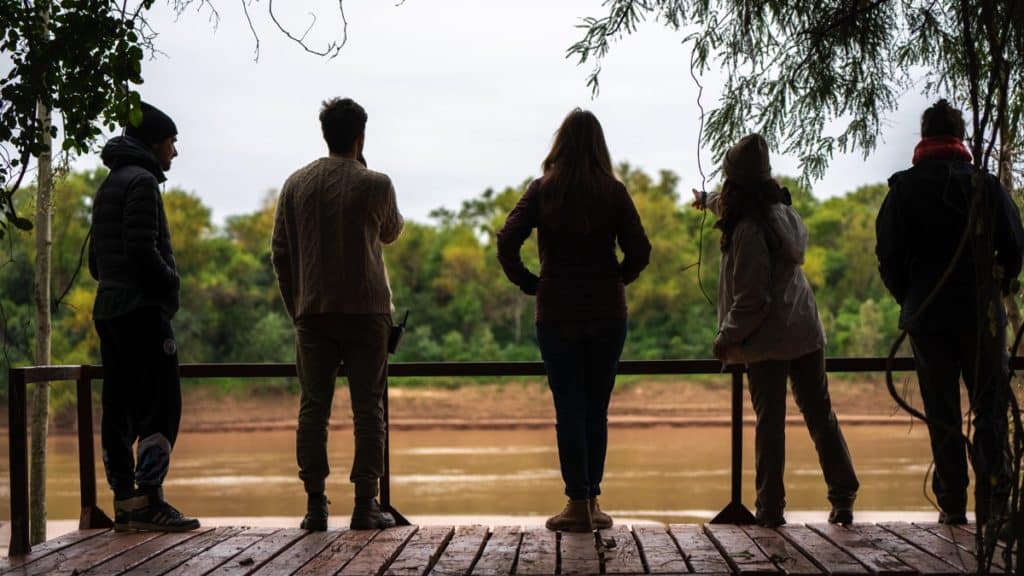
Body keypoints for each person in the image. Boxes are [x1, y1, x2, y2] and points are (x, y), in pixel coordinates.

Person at [497, 109, 651, 532]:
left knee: (569, 407)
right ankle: (593, 502)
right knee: (595, 409)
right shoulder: (613, 192)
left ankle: (577, 504)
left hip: (557, 312)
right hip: (606, 313)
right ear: (599, 146)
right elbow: (641, 250)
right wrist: (617, 279)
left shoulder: (542, 190)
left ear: (559, 144)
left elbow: (507, 241)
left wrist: (532, 282)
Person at [694, 133, 859, 527]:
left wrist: (726, 336)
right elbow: (730, 202)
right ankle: (843, 496)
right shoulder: (783, 214)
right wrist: (706, 199)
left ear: (735, 184)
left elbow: (753, 299)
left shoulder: (748, 230)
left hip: (767, 340)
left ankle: (770, 507)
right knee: (821, 415)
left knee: (770, 423)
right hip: (804, 330)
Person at [876, 99, 1023, 525]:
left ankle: (953, 505)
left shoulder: (904, 189)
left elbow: (888, 256)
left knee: (941, 412)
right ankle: (995, 502)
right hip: (982, 315)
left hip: (928, 318)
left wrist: (911, 298)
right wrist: (999, 283)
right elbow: (1015, 248)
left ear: (924, 136)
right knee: (991, 407)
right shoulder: (984, 185)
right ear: (960, 137)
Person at [272, 97, 404, 531]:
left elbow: (281, 253)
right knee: (368, 410)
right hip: (367, 312)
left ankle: (315, 507)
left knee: (314, 409)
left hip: (313, 313)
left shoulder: (295, 185)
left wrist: (299, 307)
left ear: (325, 133)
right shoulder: (375, 183)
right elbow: (391, 231)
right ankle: (365, 505)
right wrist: (364, 170)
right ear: (360, 136)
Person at [88, 102, 200, 532]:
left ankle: (125, 502)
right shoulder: (142, 183)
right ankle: (150, 498)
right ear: (155, 143)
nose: (174, 151)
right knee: (161, 402)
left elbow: (99, 261)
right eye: (172, 142)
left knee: (118, 404)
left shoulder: (109, 184)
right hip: (141, 312)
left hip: (109, 309)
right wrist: (170, 282)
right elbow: (141, 248)